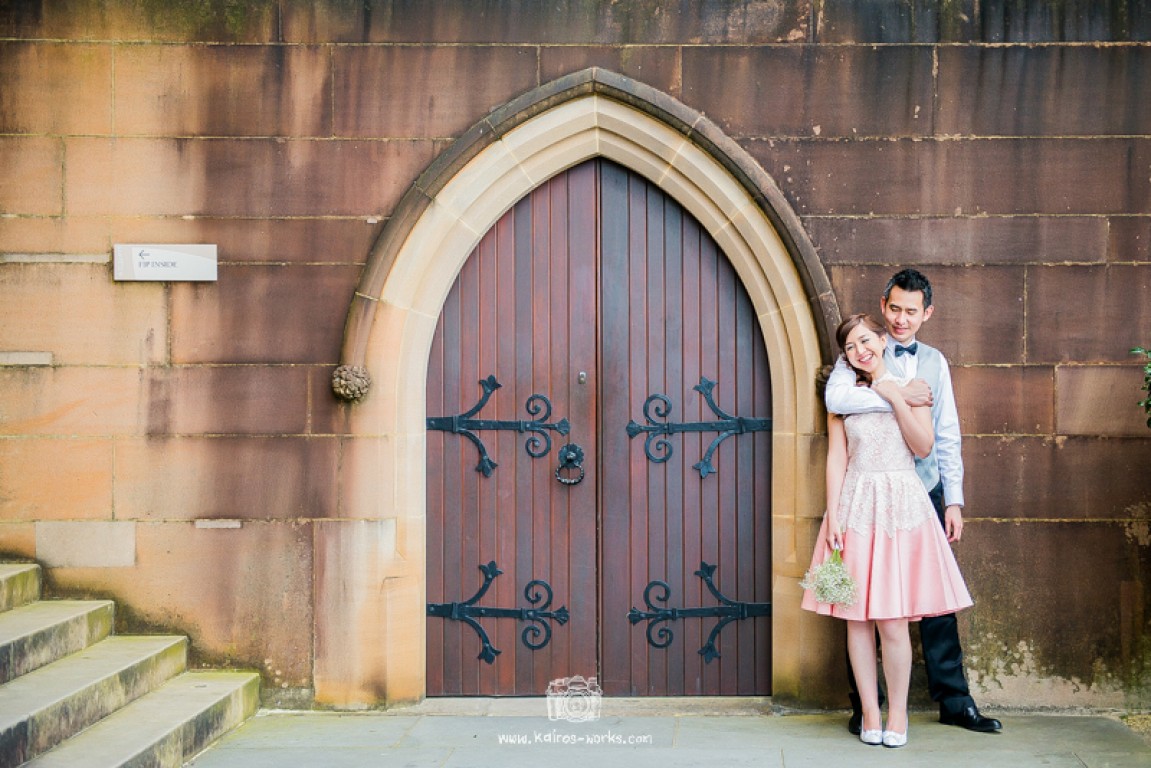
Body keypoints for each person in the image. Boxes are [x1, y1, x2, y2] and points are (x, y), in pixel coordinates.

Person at [823, 269, 1002, 735]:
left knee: (932, 605)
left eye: (912, 311)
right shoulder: (853, 359)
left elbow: (944, 434)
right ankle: (867, 707)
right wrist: (896, 392)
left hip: (920, 491)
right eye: (895, 309)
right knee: (859, 606)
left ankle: (953, 700)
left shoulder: (934, 363)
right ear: (884, 307)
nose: (902, 319)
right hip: (863, 495)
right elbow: (837, 402)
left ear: (927, 314)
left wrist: (953, 500)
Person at [803, 313, 973, 748]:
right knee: (856, 620)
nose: (860, 351)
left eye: (865, 341)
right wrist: (833, 514)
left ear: (881, 340)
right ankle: (870, 712)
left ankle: (898, 712)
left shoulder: (912, 387)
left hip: (901, 504)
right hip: (857, 503)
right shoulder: (844, 399)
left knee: (893, 621)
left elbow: (924, 445)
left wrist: (896, 395)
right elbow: (837, 458)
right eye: (850, 347)